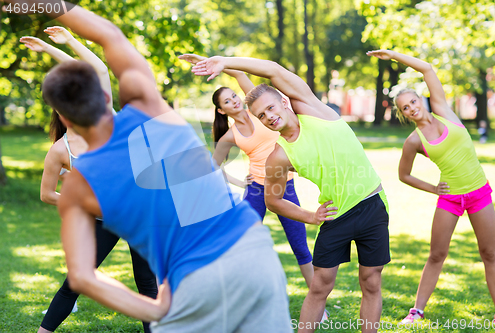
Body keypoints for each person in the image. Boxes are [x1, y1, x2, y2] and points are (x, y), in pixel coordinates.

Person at [10, 1, 291, 332]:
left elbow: (83, 277)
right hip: (249, 249)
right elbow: (108, 35)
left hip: (189, 279)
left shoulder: (77, 188)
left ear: (63, 116)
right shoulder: (147, 105)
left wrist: (157, 308)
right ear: (104, 97)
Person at [191, 56, 390, 333]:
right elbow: (273, 201)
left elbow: (272, 70)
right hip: (335, 215)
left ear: (284, 102)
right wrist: (310, 215)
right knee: (320, 286)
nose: (269, 117)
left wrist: (224, 62)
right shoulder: (279, 156)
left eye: (271, 108)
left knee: (371, 280)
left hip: (372, 205)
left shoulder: (312, 109)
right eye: (262, 115)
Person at [22, 27, 158, 333]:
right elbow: (47, 194)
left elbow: (96, 68)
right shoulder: (61, 150)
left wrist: (63, 44)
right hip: (102, 220)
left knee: (147, 285)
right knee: (75, 280)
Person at [367, 49, 495, 324]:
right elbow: (404, 175)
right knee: (436, 254)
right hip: (450, 199)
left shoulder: (443, 111)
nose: (412, 107)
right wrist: (432, 188)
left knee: (489, 253)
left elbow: (427, 68)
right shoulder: (414, 142)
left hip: (478, 193)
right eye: (405, 107)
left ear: (420, 100)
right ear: (403, 114)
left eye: (413, 101)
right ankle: (416, 310)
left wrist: (393, 55)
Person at [180, 54, 316, 295]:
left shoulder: (258, 111)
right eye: (227, 101)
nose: (234, 100)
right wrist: (238, 182)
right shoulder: (230, 136)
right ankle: (239, 297)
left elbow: (240, 73)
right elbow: (213, 167)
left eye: (233, 96)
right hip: (256, 191)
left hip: (284, 187)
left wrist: (210, 61)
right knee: (242, 245)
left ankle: (319, 302)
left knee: (300, 247)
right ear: (222, 111)